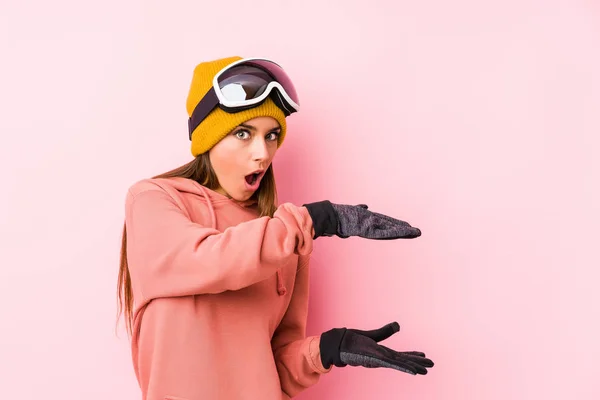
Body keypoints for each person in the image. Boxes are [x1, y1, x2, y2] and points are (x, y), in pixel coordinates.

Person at [116, 56, 434, 400]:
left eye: (271, 136)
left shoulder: (285, 236)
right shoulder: (154, 200)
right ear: (207, 138)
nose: (262, 153)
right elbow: (209, 261)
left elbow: (277, 368)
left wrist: (327, 350)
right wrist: (313, 220)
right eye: (243, 133)